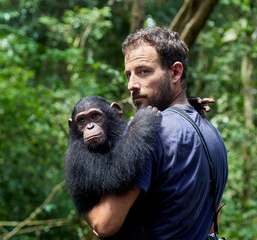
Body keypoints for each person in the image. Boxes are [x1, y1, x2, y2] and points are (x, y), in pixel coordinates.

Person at [84, 27, 228, 240]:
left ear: (175, 72)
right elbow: (209, 227)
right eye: (128, 74)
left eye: (144, 71)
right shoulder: (213, 134)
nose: (131, 85)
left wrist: (80, 188)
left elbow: (104, 224)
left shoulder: (147, 132)